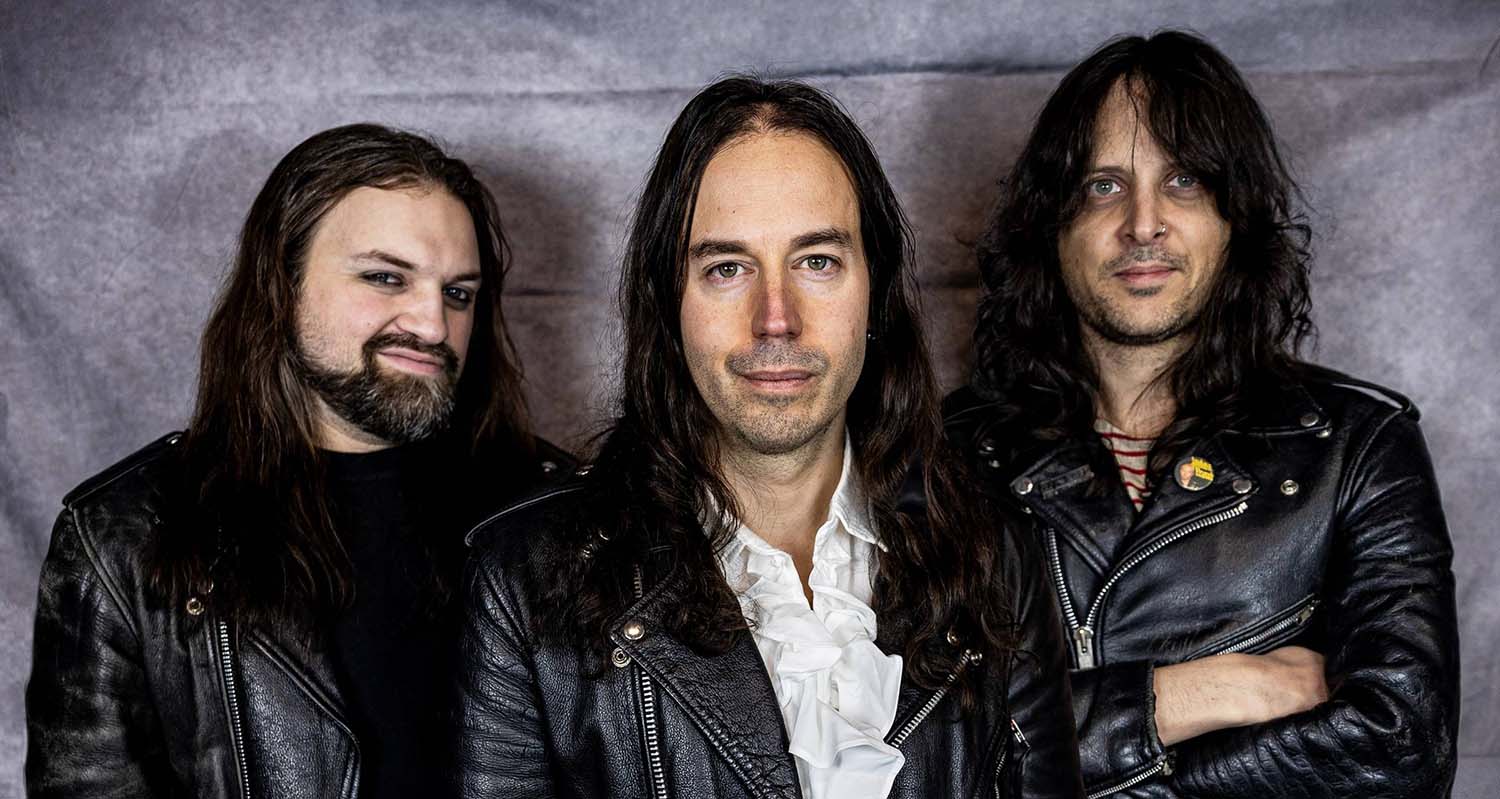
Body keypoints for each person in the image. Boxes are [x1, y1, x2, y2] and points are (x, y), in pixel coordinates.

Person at [456, 76, 1084, 798]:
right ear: (670, 305)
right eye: (727, 268)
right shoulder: (523, 581)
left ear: (875, 293)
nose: (775, 318)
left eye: (817, 261)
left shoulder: (992, 549)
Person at [947, 31, 1460, 797]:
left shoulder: (1357, 448)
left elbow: (1403, 751)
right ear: (1051, 223)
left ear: (1234, 220)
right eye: (1104, 186)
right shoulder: (948, 456)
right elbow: (910, 754)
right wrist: (1207, 691)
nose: (1143, 223)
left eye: (1183, 181)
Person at [26, 123, 570, 798]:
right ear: (280, 287)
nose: (433, 325)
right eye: (385, 277)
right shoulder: (123, 536)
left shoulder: (559, 513)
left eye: (458, 293)